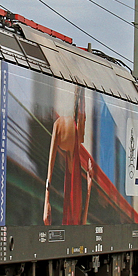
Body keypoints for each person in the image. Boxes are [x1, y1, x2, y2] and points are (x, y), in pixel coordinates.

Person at [43, 85, 95, 225]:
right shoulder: (62, 127)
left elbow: (51, 163)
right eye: (84, 119)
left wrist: (89, 185)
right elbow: (51, 163)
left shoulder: (60, 127)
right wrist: (46, 201)